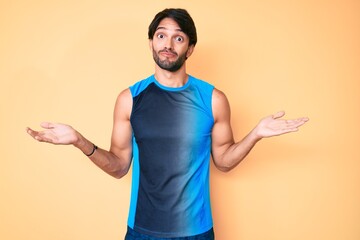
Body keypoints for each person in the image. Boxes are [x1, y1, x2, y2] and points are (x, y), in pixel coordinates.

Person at [26, 8, 308, 240]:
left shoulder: (213, 99)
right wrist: (79, 140)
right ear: (151, 42)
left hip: (196, 232)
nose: (168, 45)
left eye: (178, 38)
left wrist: (255, 134)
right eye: (161, 35)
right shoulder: (130, 99)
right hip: (142, 231)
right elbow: (119, 166)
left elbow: (223, 161)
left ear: (190, 48)